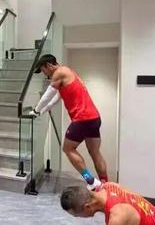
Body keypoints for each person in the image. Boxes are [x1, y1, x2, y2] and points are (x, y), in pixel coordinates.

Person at [31, 54, 107, 190]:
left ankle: (90, 181)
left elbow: (47, 95)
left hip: (82, 118)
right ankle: (105, 184)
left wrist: (36, 110)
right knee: (95, 152)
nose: (45, 74)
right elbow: (53, 100)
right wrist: (40, 112)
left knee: (68, 148)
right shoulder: (68, 73)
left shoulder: (59, 72)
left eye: (43, 70)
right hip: (94, 118)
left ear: (49, 65)